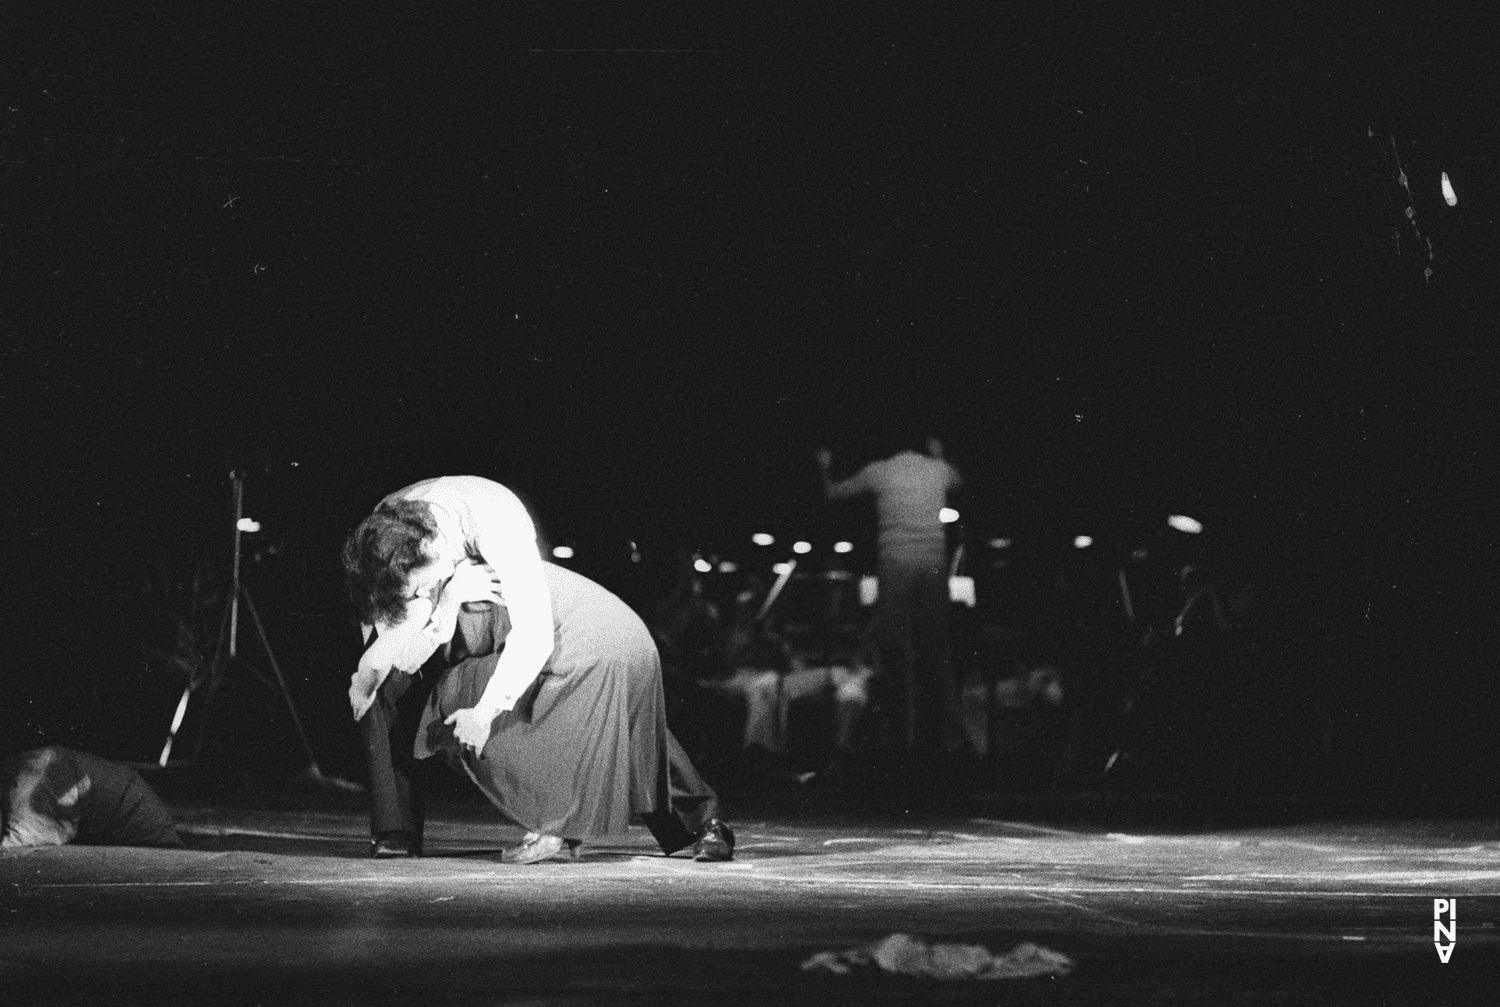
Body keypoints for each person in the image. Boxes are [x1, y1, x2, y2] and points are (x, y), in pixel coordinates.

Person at [342, 475, 733, 863]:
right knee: (382, 685)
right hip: (458, 617)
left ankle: (699, 817)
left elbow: (535, 633)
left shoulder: (499, 527)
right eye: (415, 592)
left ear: (435, 547)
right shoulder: (384, 537)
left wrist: (487, 710)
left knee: (597, 695)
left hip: (522, 620)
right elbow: (392, 631)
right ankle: (396, 829)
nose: (423, 595)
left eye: (425, 586)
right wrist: (372, 669)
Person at [815, 435, 966, 766]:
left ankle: (897, 743)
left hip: (895, 560)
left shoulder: (880, 470)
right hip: (933, 560)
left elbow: (832, 493)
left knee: (896, 654)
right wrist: (942, 454)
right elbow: (961, 480)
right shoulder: (937, 469)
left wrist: (825, 467)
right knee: (934, 651)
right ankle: (942, 742)